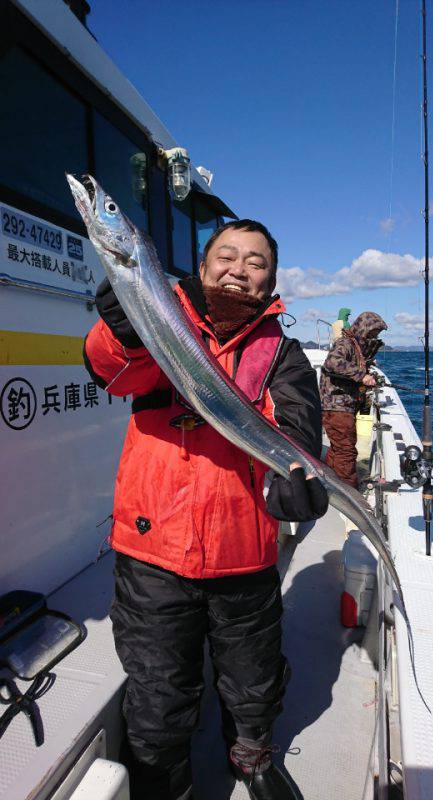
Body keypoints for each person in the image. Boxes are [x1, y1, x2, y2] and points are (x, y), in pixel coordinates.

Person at [84, 219, 328, 800]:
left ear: (271, 279)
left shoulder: (283, 354)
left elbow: (297, 425)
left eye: (256, 262)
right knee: (158, 686)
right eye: (227, 255)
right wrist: (122, 329)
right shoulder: (160, 319)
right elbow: (110, 370)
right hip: (152, 549)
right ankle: (164, 782)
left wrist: (295, 475)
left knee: (253, 676)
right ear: (202, 263)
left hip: (243, 551)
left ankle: (253, 757)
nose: (239, 269)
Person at [320, 311, 387, 488]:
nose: (374, 337)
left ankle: (332, 486)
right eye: (372, 333)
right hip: (337, 406)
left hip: (343, 406)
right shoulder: (345, 343)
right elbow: (332, 363)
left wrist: (367, 370)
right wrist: (362, 376)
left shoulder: (356, 346)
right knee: (346, 452)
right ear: (364, 329)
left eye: (376, 334)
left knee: (338, 449)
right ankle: (350, 495)